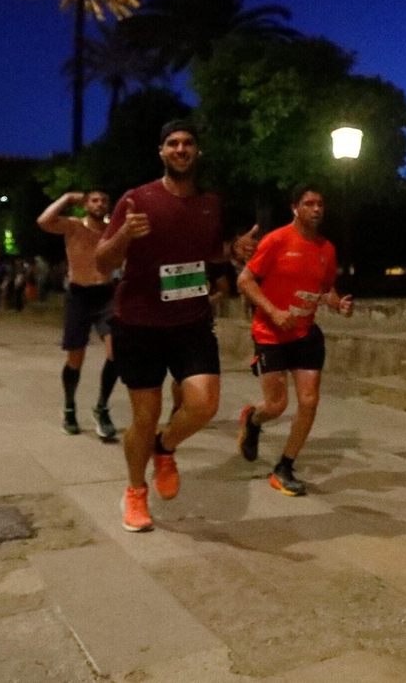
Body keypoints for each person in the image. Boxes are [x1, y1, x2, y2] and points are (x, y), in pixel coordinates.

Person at [94, 119, 259, 533]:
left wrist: (233, 251)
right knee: (143, 418)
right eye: (172, 143)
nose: (181, 149)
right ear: (162, 152)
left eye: (188, 143)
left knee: (204, 403)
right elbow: (102, 261)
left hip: (190, 320)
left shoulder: (210, 203)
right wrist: (124, 237)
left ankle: (164, 448)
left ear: (197, 152)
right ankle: (135, 491)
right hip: (139, 322)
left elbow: (210, 253)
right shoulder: (135, 200)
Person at [235, 182, 353, 495]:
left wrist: (337, 303)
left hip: (305, 335)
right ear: (295, 208)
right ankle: (253, 420)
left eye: (320, 204)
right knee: (276, 405)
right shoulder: (276, 241)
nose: (316, 209)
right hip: (270, 333)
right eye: (309, 203)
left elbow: (326, 290)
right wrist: (273, 312)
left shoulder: (327, 249)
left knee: (309, 401)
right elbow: (245, 280)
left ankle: (285, 466)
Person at [39, 190, 119, 439]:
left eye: (104, 200)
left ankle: (102, 407)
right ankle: (69, 406)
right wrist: (65, 198)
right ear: (86, 205)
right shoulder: (73, 225)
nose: (99, 204)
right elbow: (44, 222)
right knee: (76, 357)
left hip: (106, 294)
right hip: (78, 295)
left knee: (116, 351)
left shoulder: (112, 229)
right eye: (94, 200)